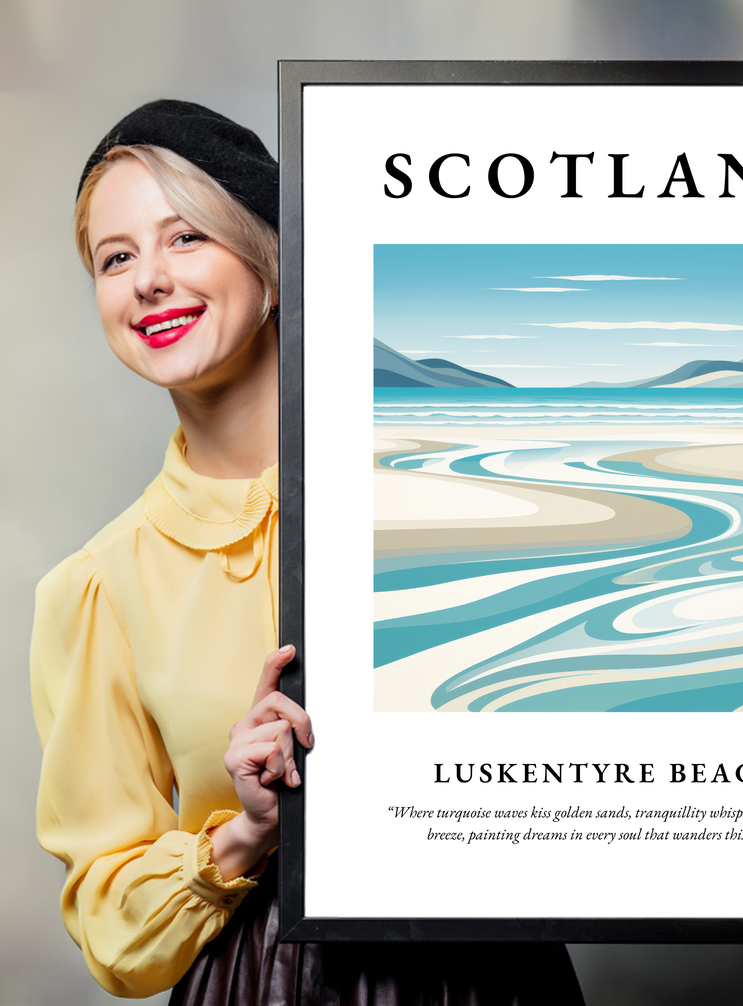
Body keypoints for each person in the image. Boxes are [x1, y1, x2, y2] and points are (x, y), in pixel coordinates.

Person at [30, 100, 585, 1004]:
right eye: (116, 257)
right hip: (262, 982)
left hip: (492, 973)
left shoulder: (467, 482)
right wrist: (245, 832)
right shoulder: (98, 587)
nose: (148, 281)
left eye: (186, 239)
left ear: (273, 264)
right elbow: (110, 923)